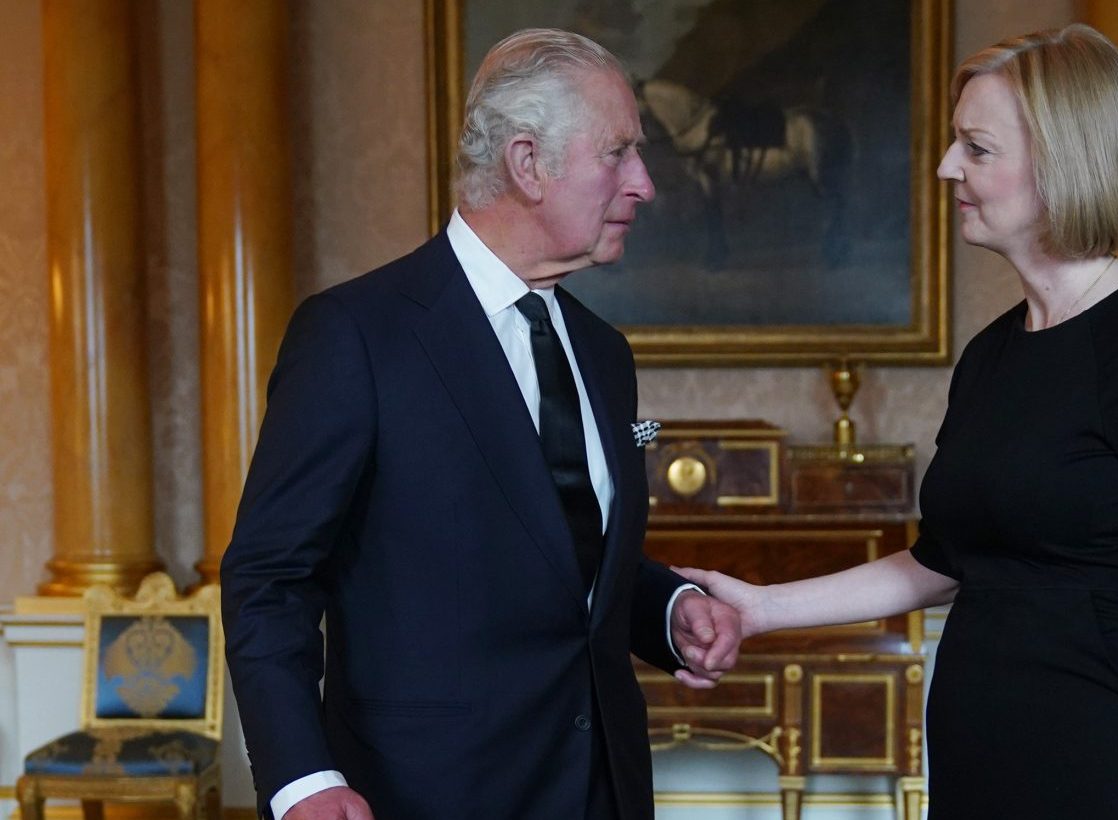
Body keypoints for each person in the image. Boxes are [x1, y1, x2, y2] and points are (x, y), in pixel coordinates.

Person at [676, 24, 1118, 820]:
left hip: (1097, 758)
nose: (947, 167)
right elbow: (944, 561)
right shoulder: (992, 354)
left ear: (1061, 161)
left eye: (975, 148)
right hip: (973, 746)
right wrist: (763, 608)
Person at [220, 29, 741, 820]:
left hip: (605, 794)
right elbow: (269, 579)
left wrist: (666, 609)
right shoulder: (356, 335)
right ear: (527, 164)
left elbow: (563, 559)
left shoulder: (603, 353)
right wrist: (303, 780)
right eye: (618, 153)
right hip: (421, 796)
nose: (644, 184)